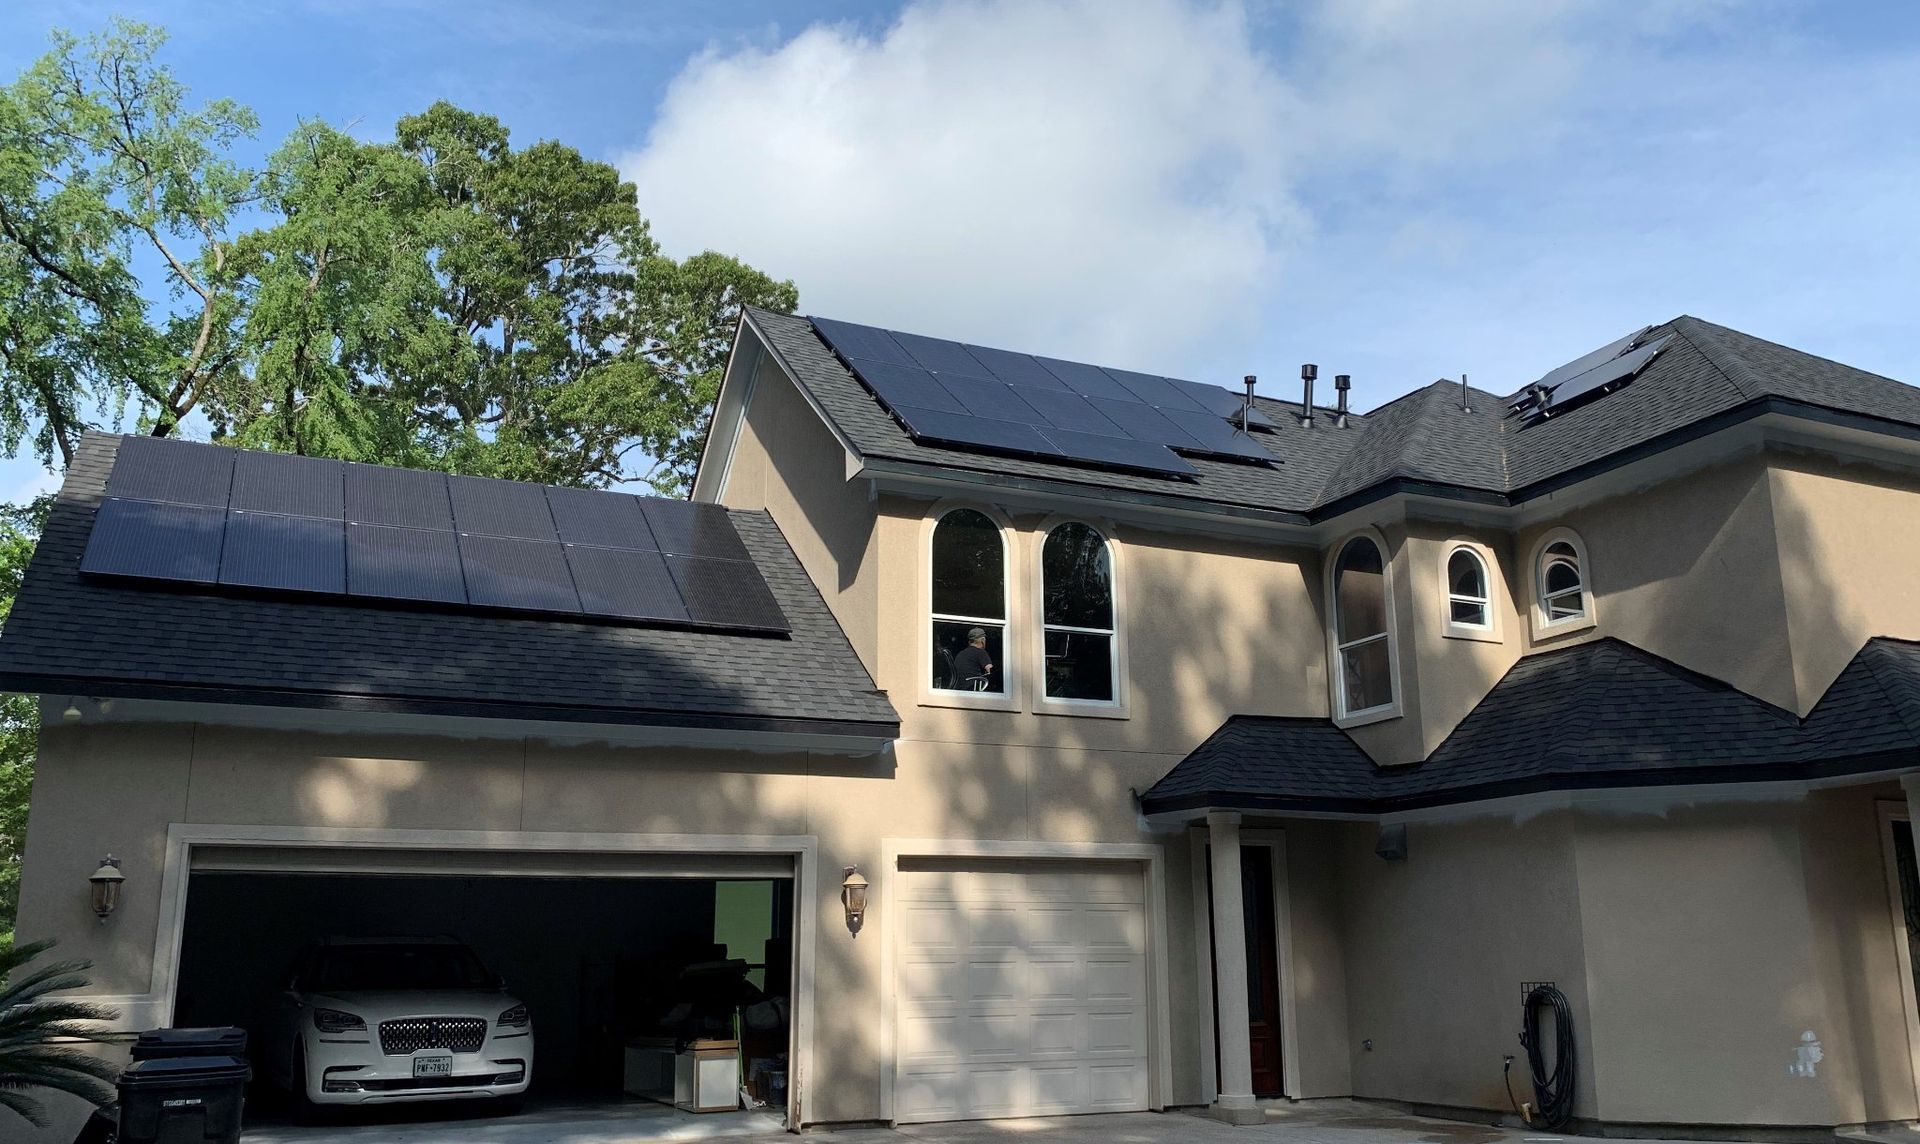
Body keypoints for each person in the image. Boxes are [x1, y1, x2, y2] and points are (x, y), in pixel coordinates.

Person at [951, 627, 995, 691]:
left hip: (958, 689)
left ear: (970, 641)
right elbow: (990, 670)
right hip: (973, 689)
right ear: (982, 641)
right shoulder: (981, 652)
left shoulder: (960, 654)